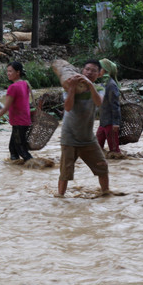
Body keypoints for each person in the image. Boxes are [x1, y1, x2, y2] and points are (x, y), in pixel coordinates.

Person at [56, 60, 110, 197]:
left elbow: (99, 102)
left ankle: (106, 194)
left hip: (88, 138)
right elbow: (68, 107)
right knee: (65, 172)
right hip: (69, 137)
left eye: (94, 70)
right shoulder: (68, 87)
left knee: (102, 167)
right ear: (82, 71)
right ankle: (60, 197)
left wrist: (90, 85)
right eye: (87, 69)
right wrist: (72, 88)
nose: (90, 72)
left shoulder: (99, 88)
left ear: (99, 74)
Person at [0, 61, 34, 162]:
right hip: (24, 121)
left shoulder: (13, 87)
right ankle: (17, 169)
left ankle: (37, 166)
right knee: (13, 150)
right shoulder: (25, 83)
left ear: (18, 72)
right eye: (7, 71)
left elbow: (5, 108)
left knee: (22, 151)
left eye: (10, 71)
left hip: (19, 122)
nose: (8, 73)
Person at [96, 58, 122, 155]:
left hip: (111, 124)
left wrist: (116, 123)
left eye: (99, 68)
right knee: (96, 150)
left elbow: (115, 105)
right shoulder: (104, 83)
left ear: (105, 70)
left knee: (115, 152)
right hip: (103, 122)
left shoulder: (111, 85)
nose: (97, 71)